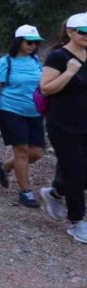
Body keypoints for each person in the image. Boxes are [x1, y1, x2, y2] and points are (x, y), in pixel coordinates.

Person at [39, 13, 87, 243]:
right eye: (83, 31)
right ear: (70, 31)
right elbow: (46, 88)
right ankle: (77, 221)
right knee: (76, 171)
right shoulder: (58, 57)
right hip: (63, 124)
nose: (86, 35)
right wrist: (69, 72)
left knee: (79, 171)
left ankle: (56, 191)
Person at [0, 25, 45, 208]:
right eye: (29, 42)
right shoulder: (6, 62)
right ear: (19, 42)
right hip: (11, 110)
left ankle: (4, 167)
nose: (33, 45)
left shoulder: (36, 61)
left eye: (36, 42)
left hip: (34, 112)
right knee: (21, 151)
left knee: (36, 153)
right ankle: (26, 192)